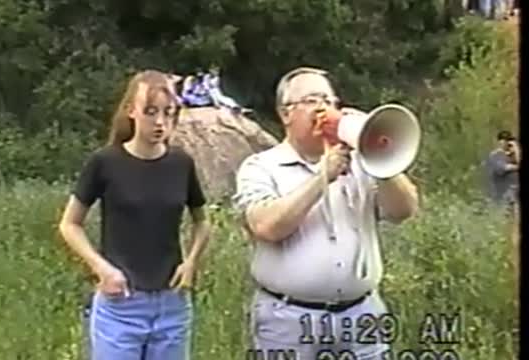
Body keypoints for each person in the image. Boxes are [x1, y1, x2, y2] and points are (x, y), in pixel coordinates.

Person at [233, 67, 420, 359]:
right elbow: (266, 226)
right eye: (310, 100)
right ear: (285, 113)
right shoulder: (261, 166)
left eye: (329, 100)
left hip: (362, 315)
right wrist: (323, 175)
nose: (322, 107)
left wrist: (378, 157)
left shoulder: (361, 162)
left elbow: (404, 210)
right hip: (288, 321)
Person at [59, 69, 211, 360]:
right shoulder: (105, 162)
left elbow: (202, 221)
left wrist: (191, 262)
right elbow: (69, 224)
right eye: (151, 112)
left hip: (172, 305)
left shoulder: (181, 163)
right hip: (121, 305)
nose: (160, 122)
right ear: (131, 111)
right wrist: (102, 269)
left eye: (168, 113)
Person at [483, 130, 519, 208]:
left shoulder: (511, 156)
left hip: (511, 196)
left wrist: (516, 151)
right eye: (506, 141)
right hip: (500, 197)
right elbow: (502, 168)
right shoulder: (495, 155)